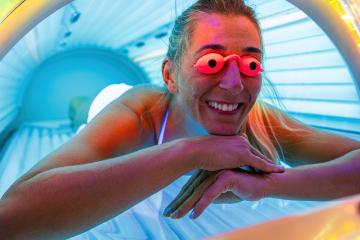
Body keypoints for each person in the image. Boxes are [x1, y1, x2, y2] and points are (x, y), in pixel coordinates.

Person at [0, 0, 359, 239]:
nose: (234, 85)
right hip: (109, 103)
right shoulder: (139, 112)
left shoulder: (260, 121)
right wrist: (191, 152)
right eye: (212, 62)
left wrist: (267, 185)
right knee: (84, 108)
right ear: (170, 75)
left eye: (250, 64)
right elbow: (13, 218)